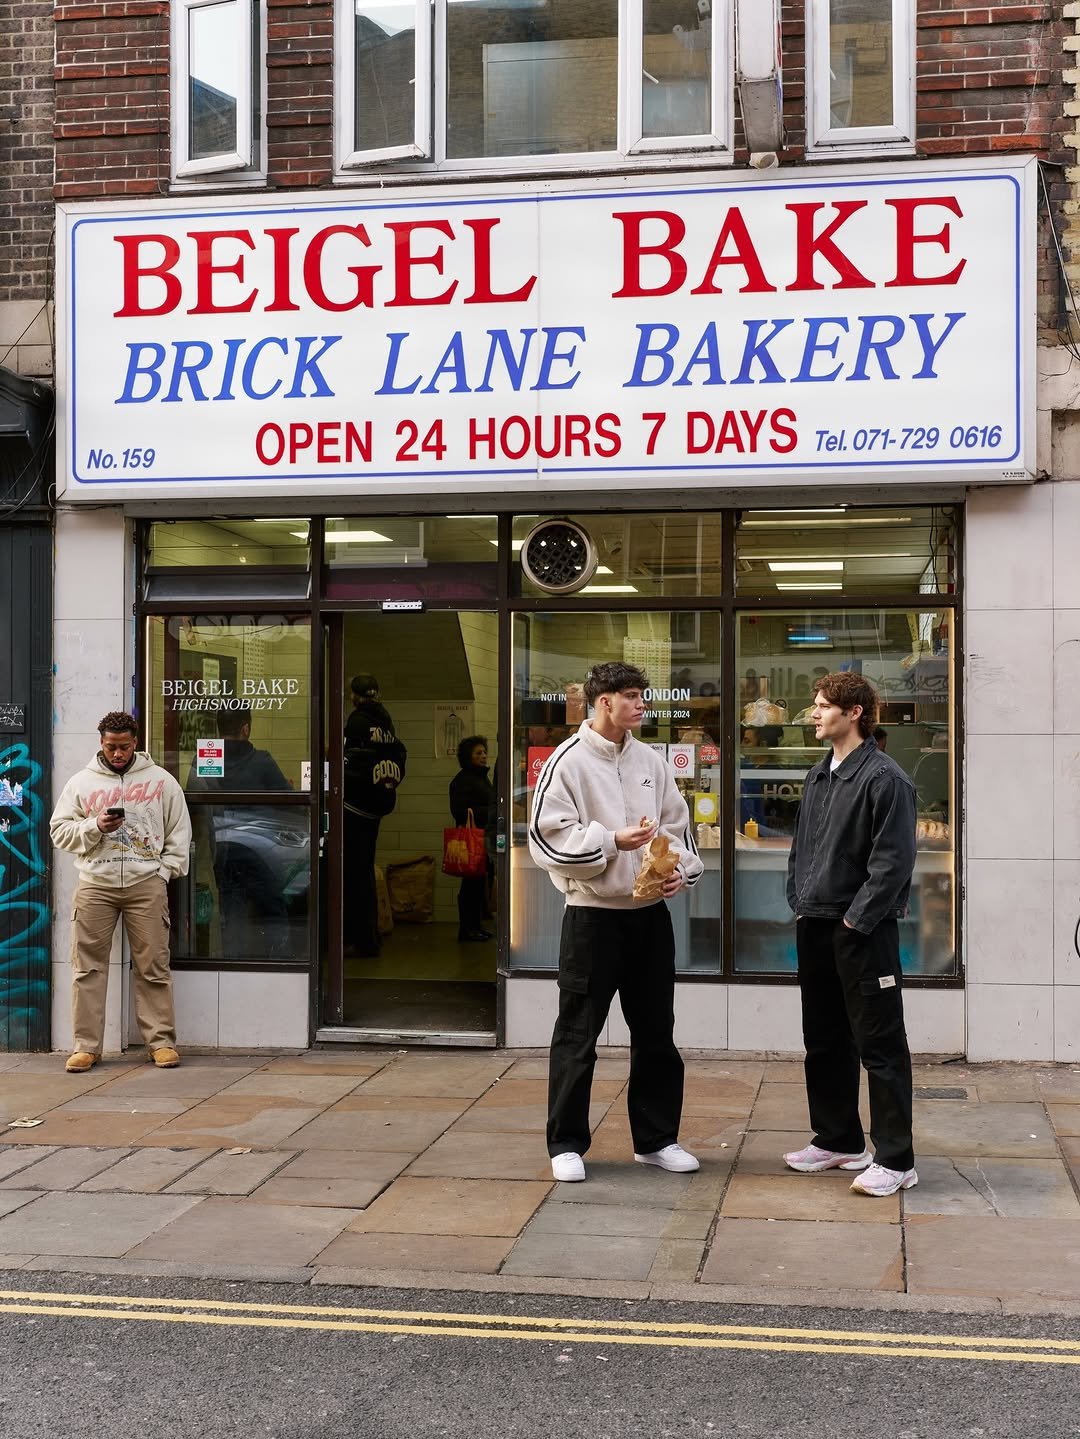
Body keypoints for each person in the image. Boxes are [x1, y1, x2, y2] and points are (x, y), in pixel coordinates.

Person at [529, 661, 704, 1184]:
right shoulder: (567, 760)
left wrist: (679, 873)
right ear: (603, 701)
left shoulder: (651, 759)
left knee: (656, 1032)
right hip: (591, 919)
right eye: (631, 697)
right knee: (578, 1032)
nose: (641, 705)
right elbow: (546, 839)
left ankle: (656, 1141)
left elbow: (677, 827)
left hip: (650, 919)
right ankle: (565, 1143)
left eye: (641, 696)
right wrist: (610, 841)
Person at [783, 672, 919, 1198]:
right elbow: (801, 849)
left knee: (880, 1045)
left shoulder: (885, 779)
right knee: (824, 1040)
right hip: (815, 924)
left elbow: (893, 864)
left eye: (822, 707)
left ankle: (896, 1159)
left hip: (862, 930)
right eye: (815, 706)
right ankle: (838, 1139)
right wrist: (800, 901)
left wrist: (853, 921)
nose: (814, 714)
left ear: (855, 711)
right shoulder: (819, 775)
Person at [49, 710, 191, 1073]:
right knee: (87, 969)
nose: (118, 754)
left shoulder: (161, 781)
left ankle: (160, 1042)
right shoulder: (81, 782)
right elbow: (59, 832)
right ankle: (86, 1046)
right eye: (111, 747)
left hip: (146, 884)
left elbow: (180, 832)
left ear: (136, 743)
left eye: (124, 747)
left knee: (153, 966)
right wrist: (95, 826)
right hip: (95, 884)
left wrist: (163, 872)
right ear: (101, 742)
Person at [187, 706, 293, 956]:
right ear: (245, 729)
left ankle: (233, 963)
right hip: (258, 849)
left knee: (230, 910)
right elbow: (288, 800)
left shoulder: (203, 759)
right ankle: (280, 961)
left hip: (218, 850)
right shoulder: (262, 761)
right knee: (273, 905)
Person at [343, 673, 406, 957]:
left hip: (354, 806)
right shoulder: (386, 720)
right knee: (365, 870)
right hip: (378, 803)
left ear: (354, 696)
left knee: (353, 873)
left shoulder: (357, 722)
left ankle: (360, 939)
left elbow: (348, 762)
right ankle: (369, 936)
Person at [449, 734, 494, 942]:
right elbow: (459, 811)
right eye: (478, 753)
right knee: (470, 886)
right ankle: (468, 928)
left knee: (477, 885)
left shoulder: (480, 777)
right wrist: (491, 811)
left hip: (481, 837)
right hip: (472, 840)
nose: (484, 756)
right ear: (469, 756)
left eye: (484, 752)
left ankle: (475, 926)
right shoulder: (463, 780)